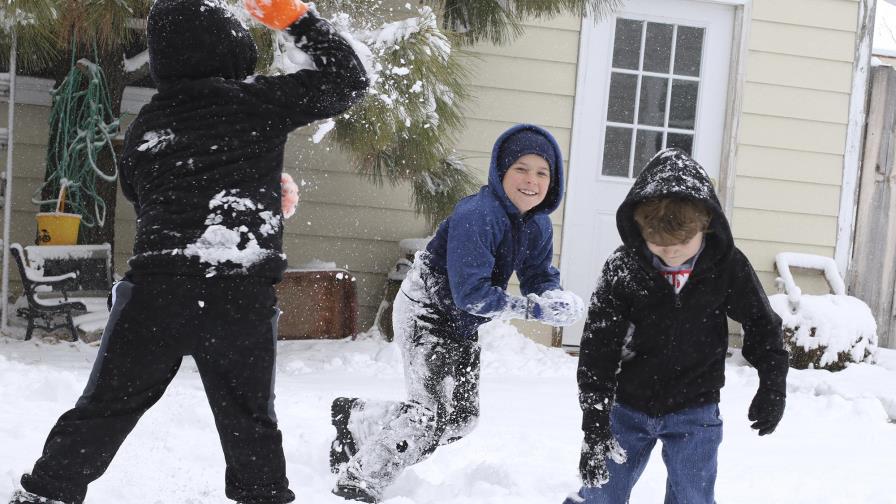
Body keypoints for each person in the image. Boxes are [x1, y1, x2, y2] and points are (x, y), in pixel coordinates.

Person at [9, 0, 368, 503]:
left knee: (106, 406)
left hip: (155, 292)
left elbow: (141, 190)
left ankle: (48, 491)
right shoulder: (258, 100)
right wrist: (295, 20)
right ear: (231, 47)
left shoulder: (148, 123)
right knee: (250, 420)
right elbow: (348, 80)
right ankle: (261, 496)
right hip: (238, 290)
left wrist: (254, 185)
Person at [327, 123, 586, 503]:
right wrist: (532, 309)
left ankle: (357, 418)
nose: (532, 180)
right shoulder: (479, 214)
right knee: (428, 415)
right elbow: (472, 295)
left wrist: (553, 297)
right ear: (501, 173)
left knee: (461, 419)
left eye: (542, 172)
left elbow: (538, 274)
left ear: (554, 180)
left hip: (460, 323)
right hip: (425, 312)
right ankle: (361, 478)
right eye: (521, 169)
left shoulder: (538, 224)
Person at [564, 148, 789, 504]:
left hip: (695, 408)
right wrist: (594, 420)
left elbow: (762, 324)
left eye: (683, 242)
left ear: (706, 224)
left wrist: (773, 384)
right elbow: (599, 346)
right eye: (658, 242)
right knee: (600, 494)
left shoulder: (726, 265)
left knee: (693, 497)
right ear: (639, 228)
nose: (671, 252)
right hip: (628, 406)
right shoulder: (624, 269)